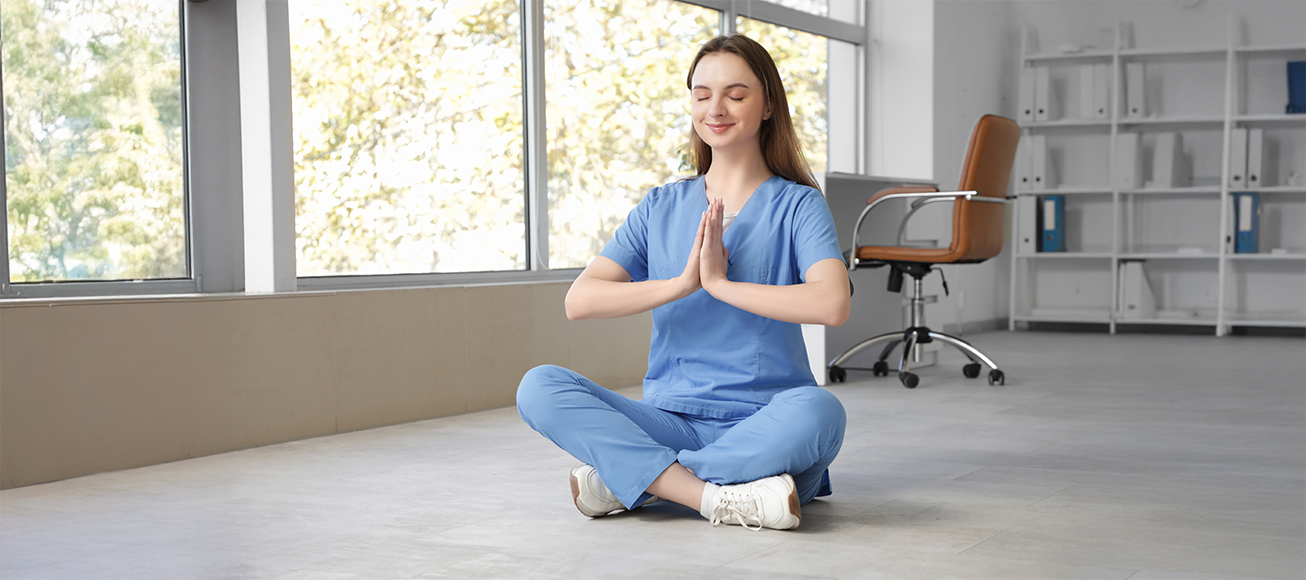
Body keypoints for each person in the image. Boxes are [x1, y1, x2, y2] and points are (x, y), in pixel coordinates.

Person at [516, 34, 850, 531]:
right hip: (670, 421)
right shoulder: (660, 205)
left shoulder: (798, 205)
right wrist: (682, 283)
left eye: (735, 95)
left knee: (821, 411)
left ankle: (642, 481)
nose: (716, 107)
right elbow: (580, 300)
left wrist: (720, 284)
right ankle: (715, 497)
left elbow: (832, 304)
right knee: (539, 386)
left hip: (765, 424)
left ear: (767, 106)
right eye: (702, 94)